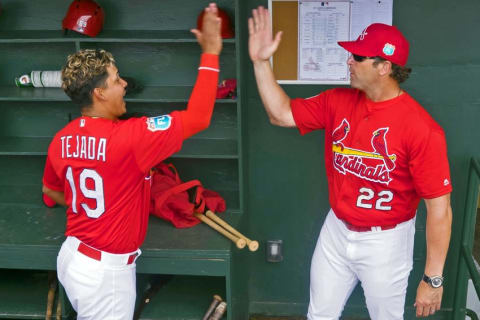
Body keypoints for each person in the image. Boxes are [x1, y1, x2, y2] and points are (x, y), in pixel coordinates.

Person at [248, 6, 452, 320]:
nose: (349, 61)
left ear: (384, 66)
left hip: (387, 239)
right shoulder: (337, 101)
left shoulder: (421, 129)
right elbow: (281, 114)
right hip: (337, 229)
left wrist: (432, 278)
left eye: (358, 57)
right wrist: (261, 62)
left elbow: (439, 208)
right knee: (319, 315)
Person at [41, 3, 222, 319]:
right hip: (105, 274)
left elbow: (50, 191)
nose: (124, 84)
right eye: (115, 79)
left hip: (72, 258)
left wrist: (103, 202)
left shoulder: (61, 139)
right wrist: (211, 52)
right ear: (99, 93)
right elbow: (199, 117)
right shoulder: (129, 137)